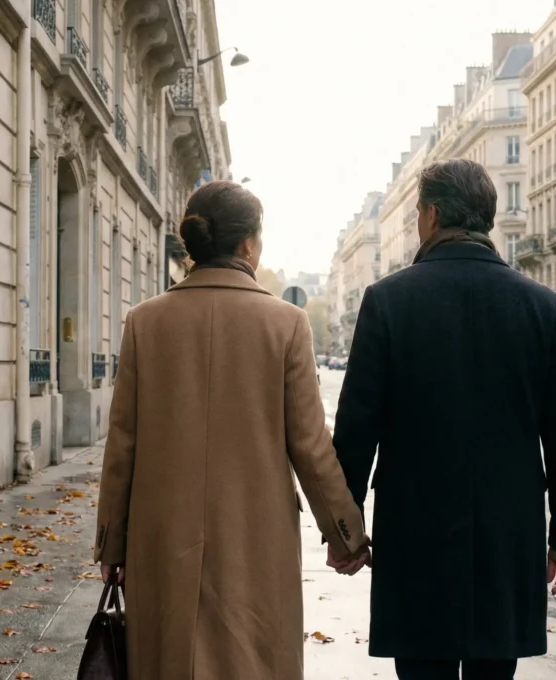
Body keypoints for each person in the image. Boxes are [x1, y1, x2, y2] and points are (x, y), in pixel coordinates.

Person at [94, 180, 371, 680]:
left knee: (166, 660)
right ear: (248, 244)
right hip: (255, 537)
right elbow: (310, 445)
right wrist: (345, 533)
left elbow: (123, 446)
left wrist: (111, 546)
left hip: (161, 537)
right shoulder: (285, 323)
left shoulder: (144, 322)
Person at [330, 159, 556, 680]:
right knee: (495, 670)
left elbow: (358, 428)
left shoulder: (388, 301)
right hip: (507, 531)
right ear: (487, 218)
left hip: (416, 532)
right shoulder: (541, 305)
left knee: (422, 668)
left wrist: (345, 528)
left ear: (429, 215)